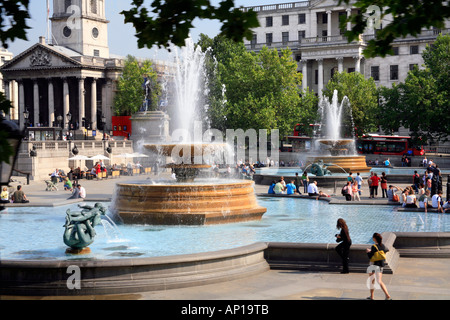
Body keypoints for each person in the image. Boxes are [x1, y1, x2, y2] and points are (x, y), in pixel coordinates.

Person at [366, 233, 392, 300]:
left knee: (372, 280)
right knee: (379, 281)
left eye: (373, 237)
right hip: (380, 265)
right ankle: (387, 295)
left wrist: (368, 252)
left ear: (374, 238)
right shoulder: (382, 245)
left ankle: (372, 296)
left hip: (373, 265)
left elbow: (370, 256)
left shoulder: (374, 246)